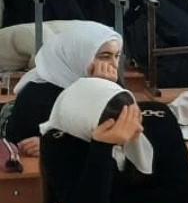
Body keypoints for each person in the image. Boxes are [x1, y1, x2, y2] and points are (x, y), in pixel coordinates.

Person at [37, 78, 188, 203]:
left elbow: (180, 194)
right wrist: (102, 145)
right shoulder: (57, 141)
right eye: (120, 126)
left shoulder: (159, 116)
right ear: (90, 126)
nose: (138, 128)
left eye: (136, 116)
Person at [4, 21, 122, 156]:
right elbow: (19, 147)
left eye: (117, 56)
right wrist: (49, 144)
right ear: (78, 55)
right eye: (105, 56)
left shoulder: (110, 83)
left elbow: (125, 131)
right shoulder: (38, 94)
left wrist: (103, 89)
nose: (114, 64)